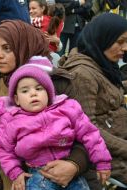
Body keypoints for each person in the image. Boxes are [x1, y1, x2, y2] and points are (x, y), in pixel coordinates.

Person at [0, 20, 98, 190]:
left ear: (24, 46)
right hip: (1, 171)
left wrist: (74, 164)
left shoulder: (54, 83)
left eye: (7, 48)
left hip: (56, 171)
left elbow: (86, 132)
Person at [0, 56, 112, 190]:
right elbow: (4, 150)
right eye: (25, 91)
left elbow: (90, 135)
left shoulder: (67, 108)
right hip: (38, 175)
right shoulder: (10, 121)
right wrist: (16, 173)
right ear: (16, 99)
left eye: (39, 89)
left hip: (70, 169)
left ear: (49, 93)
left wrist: (102, 161)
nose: (33, 94)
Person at [58, 12, 127, 185]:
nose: (125, 48)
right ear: (101, 38)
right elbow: (89, 129)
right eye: (119, 42)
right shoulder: (82, 74)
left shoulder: (101, 62)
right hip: (108, 157)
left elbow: (108, 91)